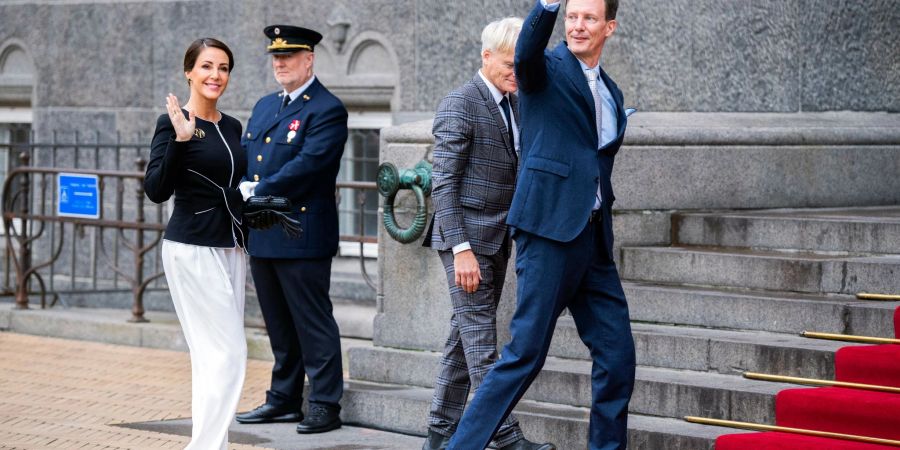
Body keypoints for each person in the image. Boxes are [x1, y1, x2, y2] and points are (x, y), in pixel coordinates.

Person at [447, 0, 636, 449]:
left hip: (593, 240)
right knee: (524, 356)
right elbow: (529, 49)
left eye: (589, 18)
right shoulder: (544, 68)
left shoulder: (611, 90)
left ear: (609, 26)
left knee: (617, 357)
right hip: (549, 234)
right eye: (572, 16)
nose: (578, 25)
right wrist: (547, 6)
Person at [421, 17, 554, 450]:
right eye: (509, 63)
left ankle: (439, 432)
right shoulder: (460, 103)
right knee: (482, 349)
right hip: (465, 244)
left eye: (522, 64)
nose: (516, 72)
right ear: (486, 56)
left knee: (463, 340)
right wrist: (461, 249)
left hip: (499, 241)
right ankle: (506, 438)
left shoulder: (517, 103)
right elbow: (444, 183)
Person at [234, 24, 348, 435]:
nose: (280, 63)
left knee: (312, 323)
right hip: (264, 230)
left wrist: (258, 189)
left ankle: (324, 403)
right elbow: (248, 157)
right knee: (278, 324)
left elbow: (309, 165)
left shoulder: (327, 109)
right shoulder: (267, 106)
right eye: (275, 57)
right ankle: (282, 400)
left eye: (289, 56)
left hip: (301, 232)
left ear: (309, 59)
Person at [145, 38, 247, 450]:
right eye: (206, 67)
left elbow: (228, 186)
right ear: (189, 71)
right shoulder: (171, 122)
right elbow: (155, 189)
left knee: (212, 359)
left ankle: (214, 445)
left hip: (232, 247)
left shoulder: (232, 125)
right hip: (191, 248)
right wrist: (181, 140)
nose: (215, 76)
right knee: (231, 354)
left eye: (223, 68)